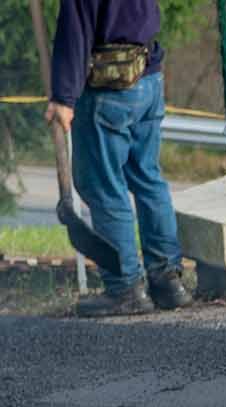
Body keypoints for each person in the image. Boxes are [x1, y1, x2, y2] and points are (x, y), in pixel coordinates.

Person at [44, 0, 190, 317]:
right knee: (148, 177)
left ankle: (125, 288)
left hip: (109, 89)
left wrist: (63, 98)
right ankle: (167, 281)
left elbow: (75, 31)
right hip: (148, 77)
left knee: (104, 185)